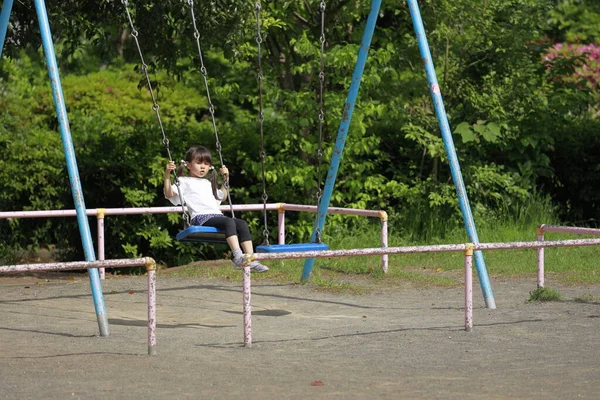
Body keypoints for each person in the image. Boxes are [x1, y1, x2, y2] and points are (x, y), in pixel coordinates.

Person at [163, 145, 269, 273]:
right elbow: (169, 194)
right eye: (198, 163)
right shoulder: (183, 181)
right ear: (188, 165)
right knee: (229, 221)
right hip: (200, 217)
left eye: (206, 164)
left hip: (215, 216)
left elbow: (222, 196)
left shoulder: (207, 183)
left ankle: (251, 259)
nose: (203, 167)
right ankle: (238, 256)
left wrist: (226, 179)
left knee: (242, 223)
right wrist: (167, 174)